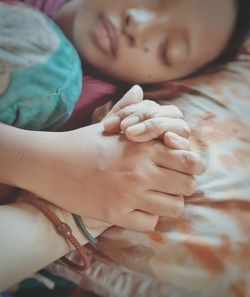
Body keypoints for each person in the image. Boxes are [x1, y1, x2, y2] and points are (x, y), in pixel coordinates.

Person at [0, 0, 249, 291]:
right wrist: (48, 159)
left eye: (167, 49)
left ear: (173, 79)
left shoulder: (92, 115)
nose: (138, 23)